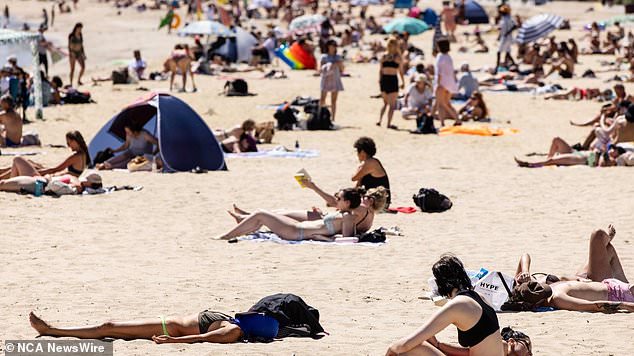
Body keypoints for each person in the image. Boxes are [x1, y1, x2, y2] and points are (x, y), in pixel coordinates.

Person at [386, 255, 521, 356]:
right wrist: (438, 345)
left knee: (411, 348)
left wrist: (390, 351)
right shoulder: (480, 298)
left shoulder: (457, 305)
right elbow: (473, 351)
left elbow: (405, 344)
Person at [214, 186, 387, 241]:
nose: (336, 200)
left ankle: (226, 236)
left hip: (297, 231)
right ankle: (240, 225)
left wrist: (323, 238)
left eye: (339, 198)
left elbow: (348, 239)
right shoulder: (345, 214)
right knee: (266, 215)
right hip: (299, 229)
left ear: (348, 202)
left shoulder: (348, 216)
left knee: (261, 214)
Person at [515, 226, 628, 287]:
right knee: (598, 235)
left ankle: (622, 283)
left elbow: (525, 256)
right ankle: (605, 241)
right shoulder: (525, 294)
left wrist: (525, 272)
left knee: (607, 249)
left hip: (580, 278)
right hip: (589, 285)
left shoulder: (514, 282)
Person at [0, 131, 90, 180]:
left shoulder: (75, 156)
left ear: (75, 141)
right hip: (55, 176)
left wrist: (39, 172)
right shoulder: (84, 154)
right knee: (29, 163)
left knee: (19, 162)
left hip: (50, 178)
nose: (68, 145)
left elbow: (55, 169)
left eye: (69, 143)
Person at [514, 136, 602, 168]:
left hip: (580, 158)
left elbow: (593, 163)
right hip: (578, 153)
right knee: (556, 139)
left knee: (553, 160)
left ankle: (530, 164)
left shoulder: (608, 155)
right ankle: (547, 159)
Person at [352, 137, 391, 207]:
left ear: (363, 152)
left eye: (358, 151)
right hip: (376, 200)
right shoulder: (372, 161)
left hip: (379, 203)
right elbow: (358, 183)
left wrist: (360, 166)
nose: (357, 154)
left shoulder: (370, 163)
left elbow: (354, 178)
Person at [377, 38, 404, 129]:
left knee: (385, 103)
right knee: (391, 105)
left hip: (385, 79)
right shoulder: (397, 57)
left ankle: (380, 120)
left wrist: (380, 80)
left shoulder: (384, 56)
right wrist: (403, 81)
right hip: (392, 79)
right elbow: (400, 71)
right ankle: (388, 123)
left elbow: (380, 70)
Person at [0, 171, 102, 195]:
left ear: (89, 183)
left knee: (2, 184)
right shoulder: (77, 182)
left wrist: (49, 178)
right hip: (39, 181)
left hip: (40, 184)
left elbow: (53, 185)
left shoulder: (78, 186)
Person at [433, 37, 459, 126]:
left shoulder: (439, 57)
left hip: (442, 83)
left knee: (440, 104)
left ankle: (442, 123)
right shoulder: (449, 57)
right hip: (450, 83)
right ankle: (457, 119)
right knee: (447, 103)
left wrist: (438, 84)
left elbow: (439, 72)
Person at [319, 39, 344, 122]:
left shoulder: (338, 57)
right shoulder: (324, 57)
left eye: (334, 45)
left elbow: (342, 69)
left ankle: (333, 118)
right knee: (322, 99)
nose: (333, 47)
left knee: (334, 100)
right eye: (331, 45)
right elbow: (320, 69)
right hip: (326, 79)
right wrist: (328, 66)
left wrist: (338, 64)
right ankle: (321, 116)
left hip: (335, 79)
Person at [494, 5, 516, 74]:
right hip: (505, 37)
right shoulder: (504, 18)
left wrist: (507, 32)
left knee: (499, 52)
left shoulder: (508, 18)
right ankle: (514, 64)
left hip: (506, 37)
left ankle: (497, 67)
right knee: (507, 52)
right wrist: (499, 35)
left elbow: (515, 26)